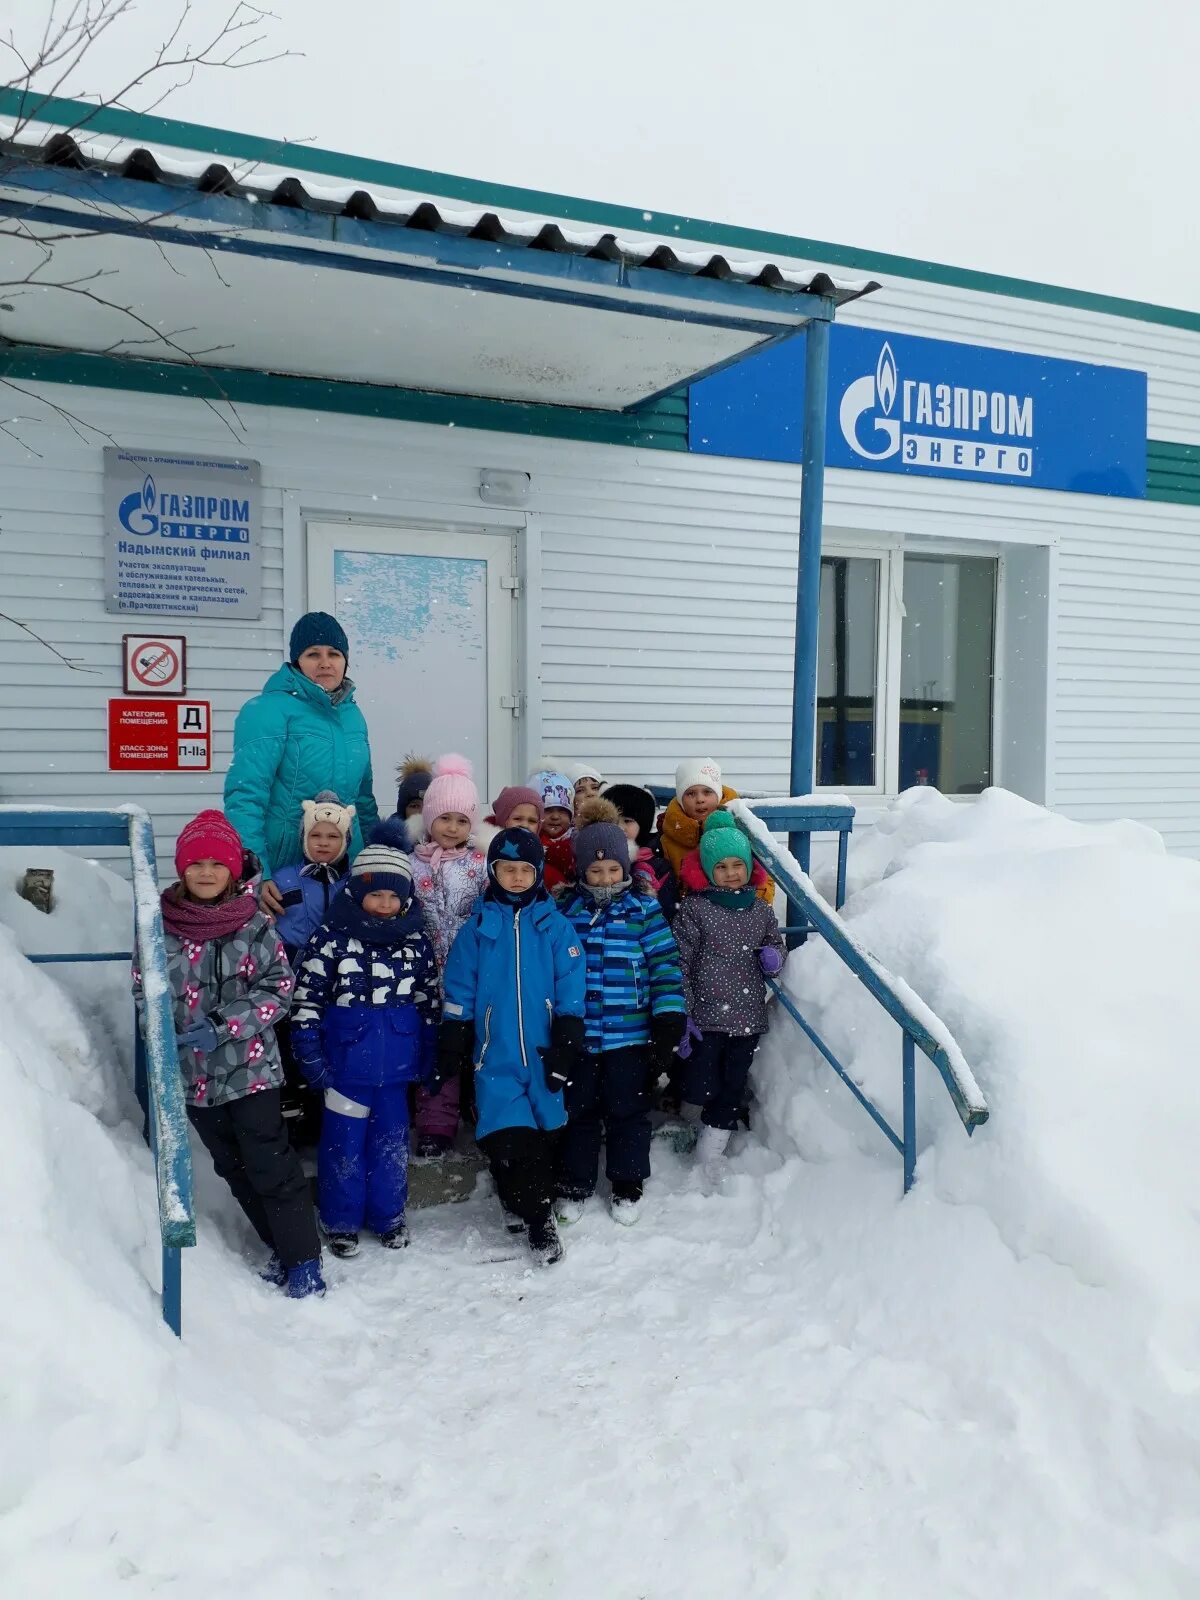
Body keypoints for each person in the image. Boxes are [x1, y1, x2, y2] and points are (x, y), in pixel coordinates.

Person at [134, 810, 323, 1298]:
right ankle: (279, 1248)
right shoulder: (159, 927)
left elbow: (280, 987)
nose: (206, 873)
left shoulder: (254, 925)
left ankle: (303, 1260)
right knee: (231, 1166)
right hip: (194, 1076)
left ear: (233, 871)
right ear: (182, 868)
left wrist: (223, 1026)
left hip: (250, 1070)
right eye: (196, 863)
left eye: (217, 864)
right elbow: (143, 988)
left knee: (270, 1164)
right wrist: (163, 1033)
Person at [436, 828, 585, 1265]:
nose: (517, 878)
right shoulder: (478, 928)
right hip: (495, 1057)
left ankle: (518, 1198)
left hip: (543, 1056)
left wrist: (568, 1037)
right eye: (508, 869)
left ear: (537, 873)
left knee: (544, 1137)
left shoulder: (556, 927)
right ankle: (540, 1222)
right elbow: (460, 985)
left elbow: (570, 986)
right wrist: (454, 1031)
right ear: (493, 871)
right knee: (508, 1138)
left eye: (525, 870)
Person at [289, 838, 440, 1257]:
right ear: (357, 893)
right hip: (345, 1071)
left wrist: (429, 1054)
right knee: (343, 1146)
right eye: (377, 894)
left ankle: (389, 1216)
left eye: (395, 895)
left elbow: (428, 1002)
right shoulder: (331, 941)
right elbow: (306, 1002)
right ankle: (340, 1219)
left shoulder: (415, 942)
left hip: (395, 1071)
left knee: (390, 1146)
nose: (386, 904)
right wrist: (311, 1058)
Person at [555, 799, 686, 1225]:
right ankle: (575, 1184)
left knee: (628, 1110)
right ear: (580, 871)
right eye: (596, 871)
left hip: (629, 1036)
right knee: (579, 1112)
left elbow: (665, 966)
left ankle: (628, 1182)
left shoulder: (643, 909)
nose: (606, 878)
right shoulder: (566, 912)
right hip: (581, 1036)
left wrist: (668, 1019)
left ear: (626, 869)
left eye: (614, 869)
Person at [224, 611, 379, 919]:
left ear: (345, 660)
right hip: (285, 872)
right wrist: (257, 871)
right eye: (313, 654)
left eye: (334, 654)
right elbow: (246, 797)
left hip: (344, 868)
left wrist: (375, 860)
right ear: (296, 661)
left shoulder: (353, 717)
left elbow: (363, 800)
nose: (325, 663)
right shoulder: (267, 711)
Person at [673, 811, 787, 1174]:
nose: (731, 872)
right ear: (707, 871)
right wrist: (685, 1011)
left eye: (738, 864)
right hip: (706, 1016)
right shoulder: (694, 909)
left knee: (734, 1083)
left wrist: (774, 958)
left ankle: (713, 1145)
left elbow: (776, 947)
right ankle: (692, 1116)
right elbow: (680, 962)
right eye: (720, 866)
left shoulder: (760, 909)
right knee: (701, 1082)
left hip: (747, 1017)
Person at [408, 755, 488, 1157]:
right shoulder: (410, 864)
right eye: (444, 819)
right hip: (423, 973)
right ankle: (436, 1122)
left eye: (461, 819)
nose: (452, 828)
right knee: (437, 1047)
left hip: (471, 972)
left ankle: (480, 1109)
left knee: (476, 1042)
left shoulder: (480, 865)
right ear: (428, 819)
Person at [270, 791, 354, 1144]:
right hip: (291, 968)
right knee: (290, 1038)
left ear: (345, 840)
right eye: (316, 835)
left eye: (333, 836)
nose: (323, 843)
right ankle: (292, 1107)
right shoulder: (284, 878)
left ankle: (323, 1111)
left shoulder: (352, 881)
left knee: (325, 1040)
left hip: (335, 976)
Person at [660, 757, 775, 907]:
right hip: (696, 916)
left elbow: (764, 874)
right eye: (691, 794)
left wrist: (756, 907)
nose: (700, 799)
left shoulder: (742, 827)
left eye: (707, 792)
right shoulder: (670, 840)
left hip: (744, 910)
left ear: (719, 794)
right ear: (681, 799)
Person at [603, 781, 673, 913]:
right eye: (612, 820)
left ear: (643, 825)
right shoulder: (593, 859)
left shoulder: (658, 867)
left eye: (627, 821)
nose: (619, 827)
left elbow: (666, 911)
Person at [529, 768, 576, 892]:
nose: (555, 817)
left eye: (562, 810)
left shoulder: (577, 840)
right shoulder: (531, 841)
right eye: (548, 810)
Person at [394, 754, 434, 842]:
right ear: (403, 811)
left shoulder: (455, 845)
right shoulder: (389, 845)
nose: (422, 812)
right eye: (415, 806)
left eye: (429, 805)